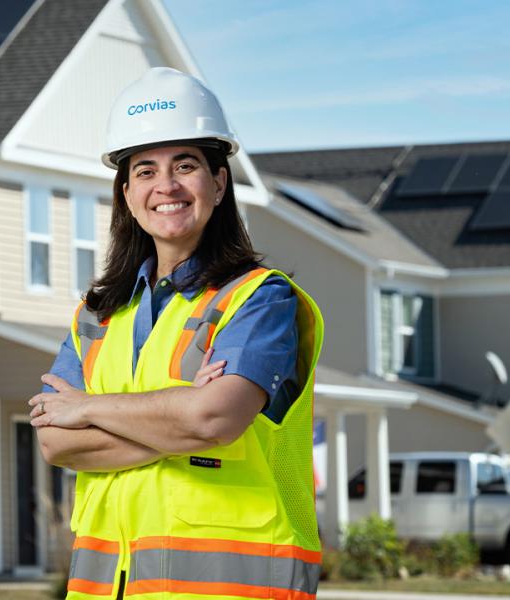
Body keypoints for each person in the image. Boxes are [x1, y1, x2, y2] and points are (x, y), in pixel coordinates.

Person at [28, 67, 324, 600]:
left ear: (218, 181)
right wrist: (177, 414)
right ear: (126, 192)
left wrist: (91, 408)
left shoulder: (257, 299)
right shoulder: (97, 315)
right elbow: (54, 441)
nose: (166, 186)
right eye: (145, 171)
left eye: (185, 166)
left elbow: (214, 418)